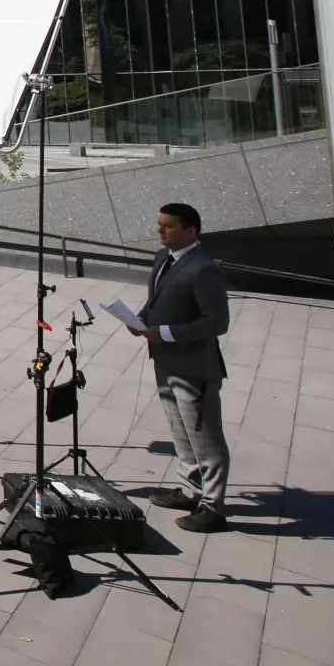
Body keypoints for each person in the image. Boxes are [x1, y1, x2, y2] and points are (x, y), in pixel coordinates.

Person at [128, 201, 234, 533]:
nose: (160, 229)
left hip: (194, 369)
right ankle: (191, 490)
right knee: (180, 433)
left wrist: (165, 333)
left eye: (168, 226)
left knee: (205, 439)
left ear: (191, 231)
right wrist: (141, 319)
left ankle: (213, 508)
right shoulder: (163, 258)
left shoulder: (204, 269)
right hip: (165, 363)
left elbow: (216, 323)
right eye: (159, 224)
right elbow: (157, 300)